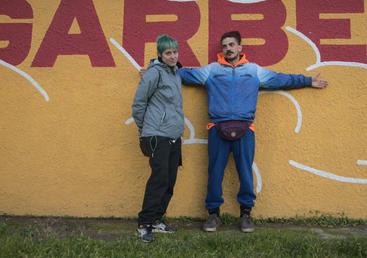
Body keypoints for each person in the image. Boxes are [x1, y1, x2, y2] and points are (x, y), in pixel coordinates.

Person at [176, 31, 328, 233]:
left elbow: (281, 79)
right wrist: (159, 69)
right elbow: (183, 74)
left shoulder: (254, 70)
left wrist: (307, 81)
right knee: (214, 173)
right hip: (217, 129)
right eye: (224, 46)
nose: (228, 49)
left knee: (245, 172)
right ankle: (213, 214)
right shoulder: (211, 71)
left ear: (240, 48)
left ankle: (246, 214)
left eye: (231, 45)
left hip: (245, 129)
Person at [132, 34, 185, 243]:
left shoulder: (175, 74)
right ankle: (144, 224)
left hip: (172, 136)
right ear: (160, 55)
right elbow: (139, 103)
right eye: (168, 53)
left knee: (169, 180)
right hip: (156, 135)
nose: (173, 56)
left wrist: (178, 133)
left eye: (175, 52)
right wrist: (142, 127)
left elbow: (174, 107)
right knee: (159, 180)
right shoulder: (154, 74)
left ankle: (156, 220)